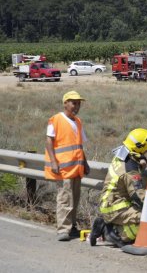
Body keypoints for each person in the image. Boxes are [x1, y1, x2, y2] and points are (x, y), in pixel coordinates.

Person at [90, 128, 147, 247]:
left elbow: (134, 162)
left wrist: (142, 161)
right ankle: (113, 233)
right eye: (145, 150)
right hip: (115, 207)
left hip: (109, 203)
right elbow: (139, 197)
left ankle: (108, 224)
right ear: (140, 147)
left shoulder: (121, 154)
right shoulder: (130, 169)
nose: (146, 152)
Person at [45, 90, 90, 241]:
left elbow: (79, 145)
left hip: (77, 168)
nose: (76, 106)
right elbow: (49, 140)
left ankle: (72, 227)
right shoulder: (56, 119)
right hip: (63, 168)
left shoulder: (78, 121)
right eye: (73, 102)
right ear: (65, 103)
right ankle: (63, 230)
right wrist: (53, 161)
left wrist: (85, 162)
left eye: (78, 103)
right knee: (65, 198)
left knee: (75, 199)